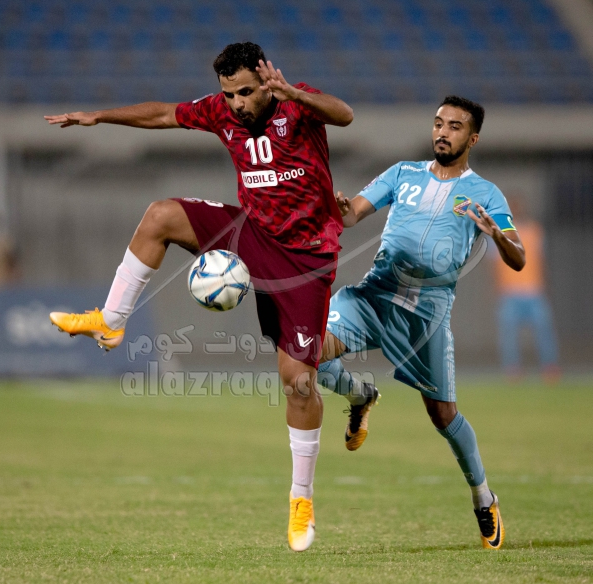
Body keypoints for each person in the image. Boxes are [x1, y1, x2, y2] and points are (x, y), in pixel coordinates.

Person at [44, 42, 354, 552]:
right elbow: (163, 114)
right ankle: (111, 319)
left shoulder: (298, 104)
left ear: (266, 80)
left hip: (305, 259)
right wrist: (100, 116)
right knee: (161, 215)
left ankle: (301, 501)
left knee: (299, 382)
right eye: (228, 95)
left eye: (245, 92)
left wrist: (295, 93)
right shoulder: (221, 111)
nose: (236, 104)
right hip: (252, 233)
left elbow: (344, 115)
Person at [317, 96, 525, 550]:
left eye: (454, 126)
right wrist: (338, 205)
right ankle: (360, 395)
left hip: (425, 316)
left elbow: (518, 258)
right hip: (374, 296)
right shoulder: (402, 174)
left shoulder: (486, 194)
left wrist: (496, 235)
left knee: (443, 415)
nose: (442, 132)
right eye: (438, 123)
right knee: (307, 352)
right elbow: (350, 215)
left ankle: (483, 497)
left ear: (472, 138)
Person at [493, 197, 560, 382]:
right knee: (509, 335)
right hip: (510, 292)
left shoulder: (534, 230)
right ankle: (513, 370)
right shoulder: (498, 232)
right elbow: (494, 263)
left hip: (534, 290)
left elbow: (541, 259)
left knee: (544, 331)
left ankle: (550, 367)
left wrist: (544, 284)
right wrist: (497, 287)